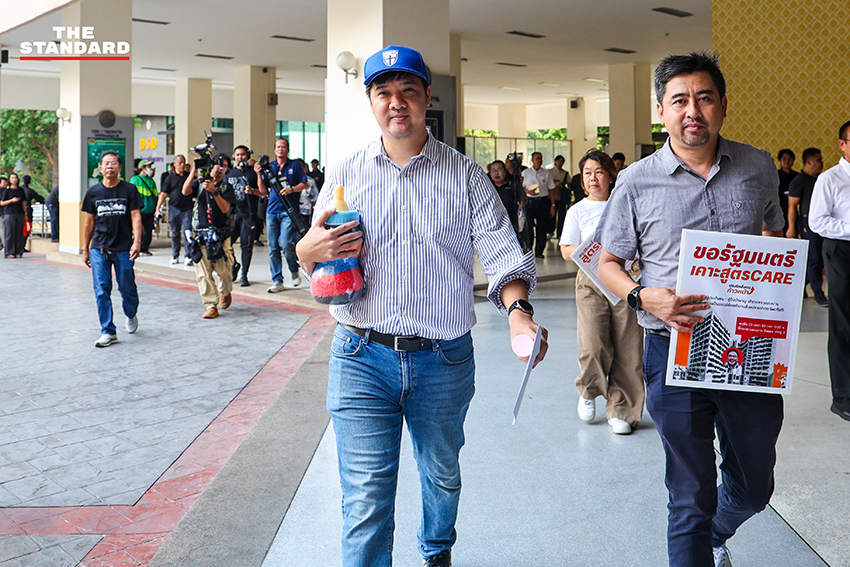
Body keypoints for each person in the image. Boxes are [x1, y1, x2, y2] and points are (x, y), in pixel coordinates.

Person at [296, 45, 547, 567]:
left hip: (443, 359)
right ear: (371, 102)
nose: (396, 103)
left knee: (441, 475)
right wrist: (304, 251)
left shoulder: (466, 176)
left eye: (408, 91)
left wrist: (519, 313)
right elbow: (316, 260)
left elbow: (504, 257)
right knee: (365, 499)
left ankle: (436, 552)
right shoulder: (345, 172)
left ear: (427, 97)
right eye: (384, 93)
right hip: (360, 354)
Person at [597, 52, 785, 567]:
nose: (693, 111)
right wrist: (641, 294)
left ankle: (713, 537)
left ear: (722, 104)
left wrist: (775, 279)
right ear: (662, 110)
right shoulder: (635, 180)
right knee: (689, 494)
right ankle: (698, 540)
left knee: (752, 488)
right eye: (679, 100)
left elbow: (773, 230)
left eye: (704, 98)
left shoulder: (758, 165)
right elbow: (606, 261)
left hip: (750, 347)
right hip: (673, 348)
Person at [560, 150, 644, 435]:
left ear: (610, 176)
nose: (593, 178)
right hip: (591, 281)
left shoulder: (626, 204)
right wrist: (589, 253)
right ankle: (589, 389)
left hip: (625, 280)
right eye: (587, 173)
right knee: (593, 342)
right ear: (582, 181)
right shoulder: (578, 210)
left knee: (628, 346)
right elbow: (565, 249)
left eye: (599, 172)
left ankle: (622, 408)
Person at [808, 119, 850, 422]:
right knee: (843, 324)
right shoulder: (830, 179)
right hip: (841, 252)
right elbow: (818, 222)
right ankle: (843, 397)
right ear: (842, 144)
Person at [81, 151, 142, 347]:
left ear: (120, 167)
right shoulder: (93, 192)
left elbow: (136, 217)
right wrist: (85, 249)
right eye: (106, 163)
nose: (110, 166)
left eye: (114, 163)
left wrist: (137, 242)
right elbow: (88, 223)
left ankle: (131, 313)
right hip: (99, 248)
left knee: (127, 287)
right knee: (101, 290)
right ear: (100, 168)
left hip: (123, 248)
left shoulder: (129, 190)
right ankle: (108, 331)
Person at [182, 156, 236, 319]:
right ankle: (211, 305)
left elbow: (225, 208)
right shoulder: (199, 184)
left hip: (221, 234)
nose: (220, 169)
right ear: (210, 166)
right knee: (203, 273)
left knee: (224, 272)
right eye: (217, 165)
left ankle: (225, 292)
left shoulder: (227, 187)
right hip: (201, 234)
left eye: (224, 166)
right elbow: (185, 192)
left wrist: (214, 191)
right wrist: (193, 171)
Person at [258, 138, 308, 293]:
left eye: (283, 147)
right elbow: (263, 191)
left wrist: (291, 189)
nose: (280, 149)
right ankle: (277, 280)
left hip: (288, 210)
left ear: (287, 150)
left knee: (285, 243)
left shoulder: (295, 165)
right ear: (274, 150)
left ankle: (294, 268)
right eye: (278, 147)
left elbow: (304, 184)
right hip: (272, 211)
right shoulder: (269, 167)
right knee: (272, 247)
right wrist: (259, 174)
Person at [786, 147, 827, 307]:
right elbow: (792, 206)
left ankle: (799, 286)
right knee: (814, 258)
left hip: (822, 223)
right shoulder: (798, 181)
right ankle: (818, 293)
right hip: (806, 223)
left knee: (821, 258)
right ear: (809, 162)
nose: (821, 163)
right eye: (818, 160)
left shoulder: (821, 179)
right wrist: (791, 228)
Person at [225, 145, 266, 287]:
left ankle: (244, 275)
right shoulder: (229, 173)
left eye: (242, 154)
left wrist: (253, 190)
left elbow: (263, 191)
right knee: (226, 245)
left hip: (248, 215)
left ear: (247, 155)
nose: (240, 157)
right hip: (231, 216)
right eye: (237, 155)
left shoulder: (253, 173)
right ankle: (234, 264)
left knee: (246, 246)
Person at [156, 155, 194, 265]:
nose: (182, 165)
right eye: (180, 163)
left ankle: (188, 255)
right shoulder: (170, 178)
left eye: (184, 163)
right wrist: (158, 208)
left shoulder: (189, 176)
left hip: (187, 208)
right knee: (175, 233)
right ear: (174, 164)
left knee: (188, 232)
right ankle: (175, 255)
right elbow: (163, 194)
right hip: (174, 208)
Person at [521, 151, 556, 258]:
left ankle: (539, 251)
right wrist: (528, 192)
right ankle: (528, 249)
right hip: (529, 202)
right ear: (532, 160)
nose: (539, 160)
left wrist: (553, 205)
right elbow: (521, 187)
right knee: (528, 226)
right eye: (537, 158)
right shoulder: (526, 173)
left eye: (541, 158)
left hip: (543, 202)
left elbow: (551, 189)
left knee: (542, 227)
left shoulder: (546, 173)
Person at [130, 158, 158, 256]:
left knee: (148, 230)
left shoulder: (151, 181)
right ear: (143, 168)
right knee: (138, 230)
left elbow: (155, 195)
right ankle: (138, 247)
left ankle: (145, 248)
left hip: (150, 210)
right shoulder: (135, 180)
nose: (151, 168)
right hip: (139, 210)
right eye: (149, 166)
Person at [1, 173, 28, 258]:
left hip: (19, 213)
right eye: (12, 178)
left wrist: (25, 213)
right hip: (9, 213)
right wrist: (11, 201)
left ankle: (18, 252)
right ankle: (9, 252)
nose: (14, 179)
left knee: (19, 233)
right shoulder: (7, 191)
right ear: (9, 180)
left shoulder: (21, 190)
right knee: (9, 233)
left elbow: (24, 202)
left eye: (15, 178)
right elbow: (2, 203)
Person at [777, 149, 797, 233]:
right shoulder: (775, 175)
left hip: (793, 209)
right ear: (780, 160)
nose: (787, 161)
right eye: (784, 159)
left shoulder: (797, 177)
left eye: (789, 159)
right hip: (779, 207)